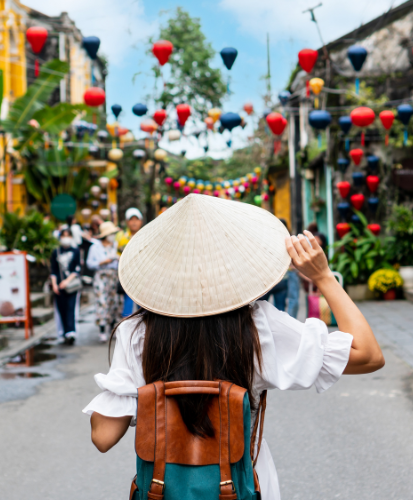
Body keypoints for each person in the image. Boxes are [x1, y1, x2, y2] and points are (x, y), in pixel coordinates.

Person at [83, 195, 384, 500]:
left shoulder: (135, 333)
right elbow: (369, 355)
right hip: (243, 488)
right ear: (232, 265)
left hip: (164, 491)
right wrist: (323, 277)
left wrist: (147, 396)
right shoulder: (257, 326)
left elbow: (103, 436)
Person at [86, 221, 122, 342]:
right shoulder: (95, 247)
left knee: (114, 302)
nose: (112, 236)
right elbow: (89, 264)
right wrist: (102, 262)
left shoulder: (115, 245)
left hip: (114, 276)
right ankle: (102, 330)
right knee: (102, 303)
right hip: (101, 276)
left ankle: (112, 328)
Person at [50, 228, 81, 345]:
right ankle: (63, 332)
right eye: (63, 235)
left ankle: (71, 332)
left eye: (68, 235)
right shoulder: (56, 252)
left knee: (71, 307)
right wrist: (54, 284)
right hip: (58, 285)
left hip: (71, 285)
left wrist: (67, 282)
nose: (66, 238)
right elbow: (53, 270)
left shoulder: (76, 251)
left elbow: (77, 269)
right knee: (61, 309)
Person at [116, 208, 143, 317]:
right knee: (128, 304)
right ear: (127, 222)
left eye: (136, 219)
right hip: (127, 275)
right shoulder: (121, 237)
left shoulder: (146, 235)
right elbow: (117, 256)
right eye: (131, 219)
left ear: (141, 221)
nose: (134, 222)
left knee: (143, 305)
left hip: (143, 276)